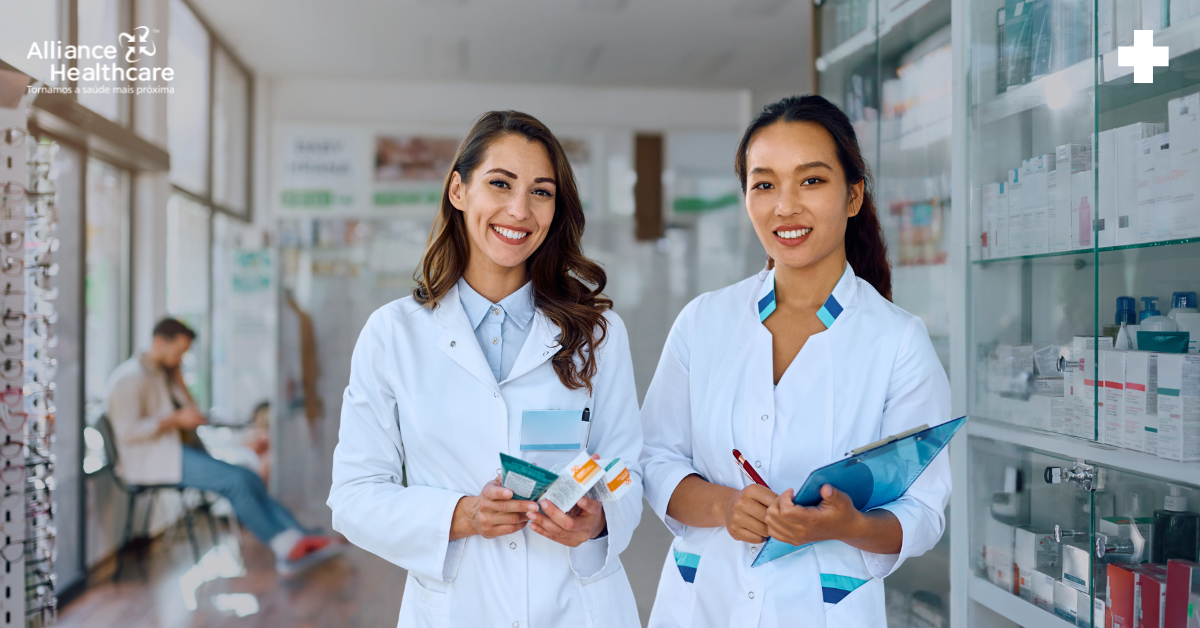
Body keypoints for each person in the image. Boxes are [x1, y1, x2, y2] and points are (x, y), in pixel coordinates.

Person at [640, 95, 951, 627]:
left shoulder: (897, 340)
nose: (785, 206)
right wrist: (725, 507)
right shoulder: (704, 321)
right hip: (703, 604)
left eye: (811, 181)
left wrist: (845, 525)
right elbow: (652, 458)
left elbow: (922, 512)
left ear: (853, 196)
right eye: (764, 184)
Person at [328, 110, 643, 627]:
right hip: (455, 607)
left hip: (578, 606)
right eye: (500, 184)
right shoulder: (394, 334)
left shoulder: (597, 334)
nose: (519, 210)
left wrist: (599, 520)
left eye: (541, 192)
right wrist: (460, 515)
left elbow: (627, 466)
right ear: (458, 190)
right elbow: (354, 496)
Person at [105, 318, 343, 576]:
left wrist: (179, 379)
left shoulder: (163, 373)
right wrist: (174, 419)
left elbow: (191, 410)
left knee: (249, 477)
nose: (179, 358)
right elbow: (127, 432)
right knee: (235, 482)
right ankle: (286, 547)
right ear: (159, 342)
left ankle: (298, 534)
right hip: (154, 460)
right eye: (177, 353)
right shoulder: (129, 378)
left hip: (178, 453)